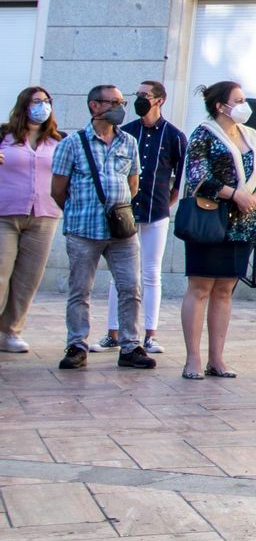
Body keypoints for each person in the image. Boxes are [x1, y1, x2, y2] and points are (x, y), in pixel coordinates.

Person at [52, 84, 154, 370]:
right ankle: (77, 345)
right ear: (95, 106)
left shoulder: (128, 142)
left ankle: (131, 345)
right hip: (83, 231)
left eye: (122, 102)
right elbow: (58, 190)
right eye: (113, 102)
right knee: (80, 290)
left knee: (130, 287)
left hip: (121, 231)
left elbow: (133, 185)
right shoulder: (71, 144)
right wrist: (78, 213)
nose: (120, 108)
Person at [180, 81, 256, 380]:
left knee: (225, 291)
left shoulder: (253, 136)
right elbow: (198, 176)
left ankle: (216, 358)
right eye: (239, 99)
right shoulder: (203, 135)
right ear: (221, 105)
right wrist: (234, 193)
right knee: (201, 288)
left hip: (243, 224)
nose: (245, 104)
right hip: (211, 221)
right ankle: (193, 358)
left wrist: (255, 196)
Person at [97, 81, 185, 355]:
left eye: (144, 95)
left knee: (151, 273)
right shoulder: (126, 132)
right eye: (137, 95)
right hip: (125, 212)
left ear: (159, 100)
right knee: (119, 274)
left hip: (156, 212)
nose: (139, 100)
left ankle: (150, 334)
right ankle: (113, 332)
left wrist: (168, 202)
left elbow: (180, 178)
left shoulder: (174, 136)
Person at [0, 86, 63, 353]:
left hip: (44, 216)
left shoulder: (59, 140)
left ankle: (11, 331)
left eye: (46, 101)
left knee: (28, 277)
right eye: (36, 101)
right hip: (5, 213)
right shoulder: (4, 135)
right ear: (24, 105)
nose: (42, 106)